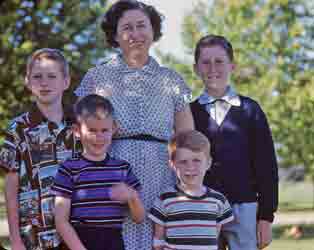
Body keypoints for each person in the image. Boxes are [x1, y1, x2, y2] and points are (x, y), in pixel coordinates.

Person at [74, 1, 194, 249]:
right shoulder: (97, 78)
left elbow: (187, 138)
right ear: (115, 35)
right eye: (127, 27)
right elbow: (81, 134)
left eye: (142, 26)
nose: (136, 34)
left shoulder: (172, 80)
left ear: (153, 31)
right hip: (111, 174)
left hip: (162, 174)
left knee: (159, 237)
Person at [190, 34, 279, 250]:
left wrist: (266, 216)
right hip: (202, 207)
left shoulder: (250, 110)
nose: (213, 68)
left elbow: (266, 165)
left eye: (219, 61)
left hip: (245, 207)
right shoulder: (189, 113)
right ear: (196, 68)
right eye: (206, 62)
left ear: (232, 66)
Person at [0, 48, 76, 250]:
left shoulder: (80, 126)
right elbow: (10, 188)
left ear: (66, 82)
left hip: (77, 235)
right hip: (34, 238)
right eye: (37, 76)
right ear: (27, 81)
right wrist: (15, 240)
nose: (44, 82)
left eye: (52, 76)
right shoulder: (18, 129)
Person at [53, 94, 145, 250]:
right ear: (77, 130)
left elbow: (139, 218)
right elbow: (61, 221)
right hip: (80, 242)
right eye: (92, 130)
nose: (99, 137)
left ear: (113, 129)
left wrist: (132, 197)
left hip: (113, 242)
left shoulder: (123, 169)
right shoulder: (68, 168)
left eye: (104, 130)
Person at [149, 130, 234, 250]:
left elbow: (214, 238)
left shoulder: (219, 200)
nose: (190, 167)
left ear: (208, 163)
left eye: (196, 160)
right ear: (172, 164)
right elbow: (158, 241)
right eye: (183, 161)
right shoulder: (165, 199)